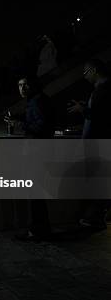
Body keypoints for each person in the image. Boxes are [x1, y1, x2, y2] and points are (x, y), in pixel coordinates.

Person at [5, 76, 55, 241]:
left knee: (35, 194)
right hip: (41, 151)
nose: (22, 88)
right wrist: (20, 118)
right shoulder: (38, 100)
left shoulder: (36, 101)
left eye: (26, 84)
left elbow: (41, 126)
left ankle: (36, 230)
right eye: (19, 85)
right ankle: (41, 229)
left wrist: (19, 125)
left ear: (33, 85)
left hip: (36, 151)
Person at [67, 59, 111, 230]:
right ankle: (95, 216)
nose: (84, 76)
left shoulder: (104, 90)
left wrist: (83, 110)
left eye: (85, 72)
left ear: (94, 71)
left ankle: (95, 218)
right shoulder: (103, 90)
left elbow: (102, 117)